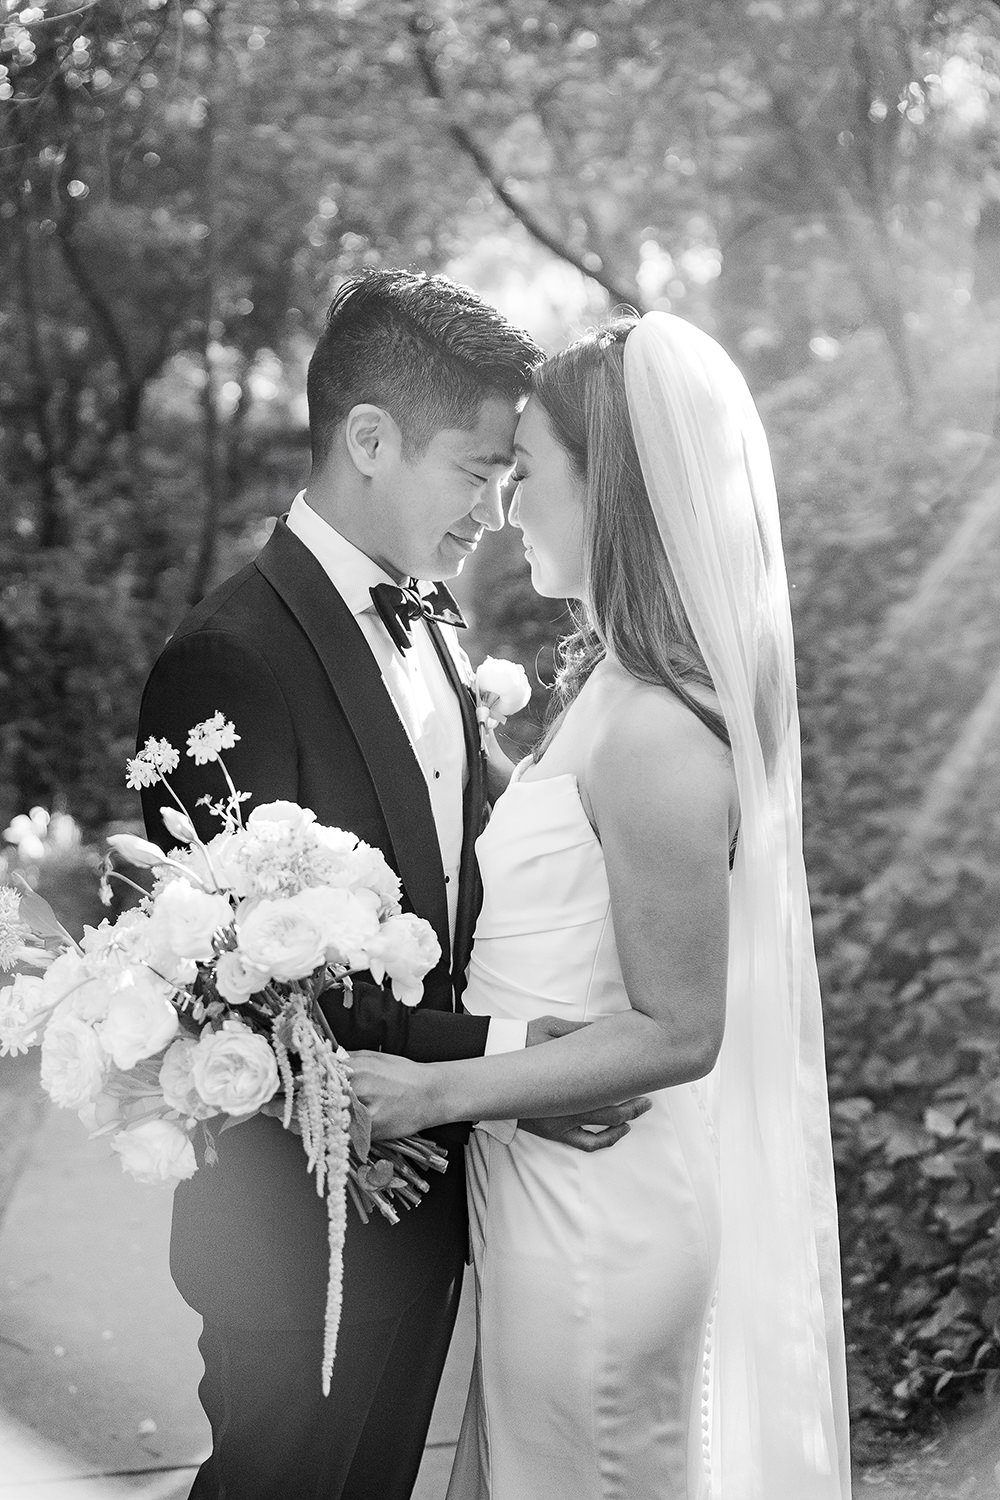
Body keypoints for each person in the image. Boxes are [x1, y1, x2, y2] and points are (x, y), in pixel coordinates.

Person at [136, 269, 645, 1500]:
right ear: (371, 439)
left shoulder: (432, 623)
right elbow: (269, 995)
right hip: (296, 1233)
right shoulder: (230, 657)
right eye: (476, 470)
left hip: (422, 1207)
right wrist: (530, 1060)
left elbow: (459, 898)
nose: (492, 508)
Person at [350, 311, 853, 1498]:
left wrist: (434, 1089)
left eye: (531, 474)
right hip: (548, 1189)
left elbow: (678, 1029)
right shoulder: (614, 693)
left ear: (610, 490)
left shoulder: (661, 732)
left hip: (604, 1216)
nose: (508, 505)